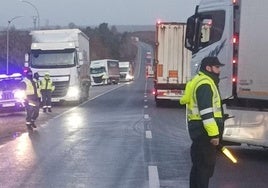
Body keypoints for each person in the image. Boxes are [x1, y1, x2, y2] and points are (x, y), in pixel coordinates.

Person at [180, 56, 225, 188]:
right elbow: (206, 113)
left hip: (199, 133)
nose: (219, 70)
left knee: (198, 168)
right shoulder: (205, 84)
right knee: (204, 169)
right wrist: (214, 135)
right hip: (205, 134)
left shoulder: (199, 81)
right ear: (208, 68)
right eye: (217, 67)